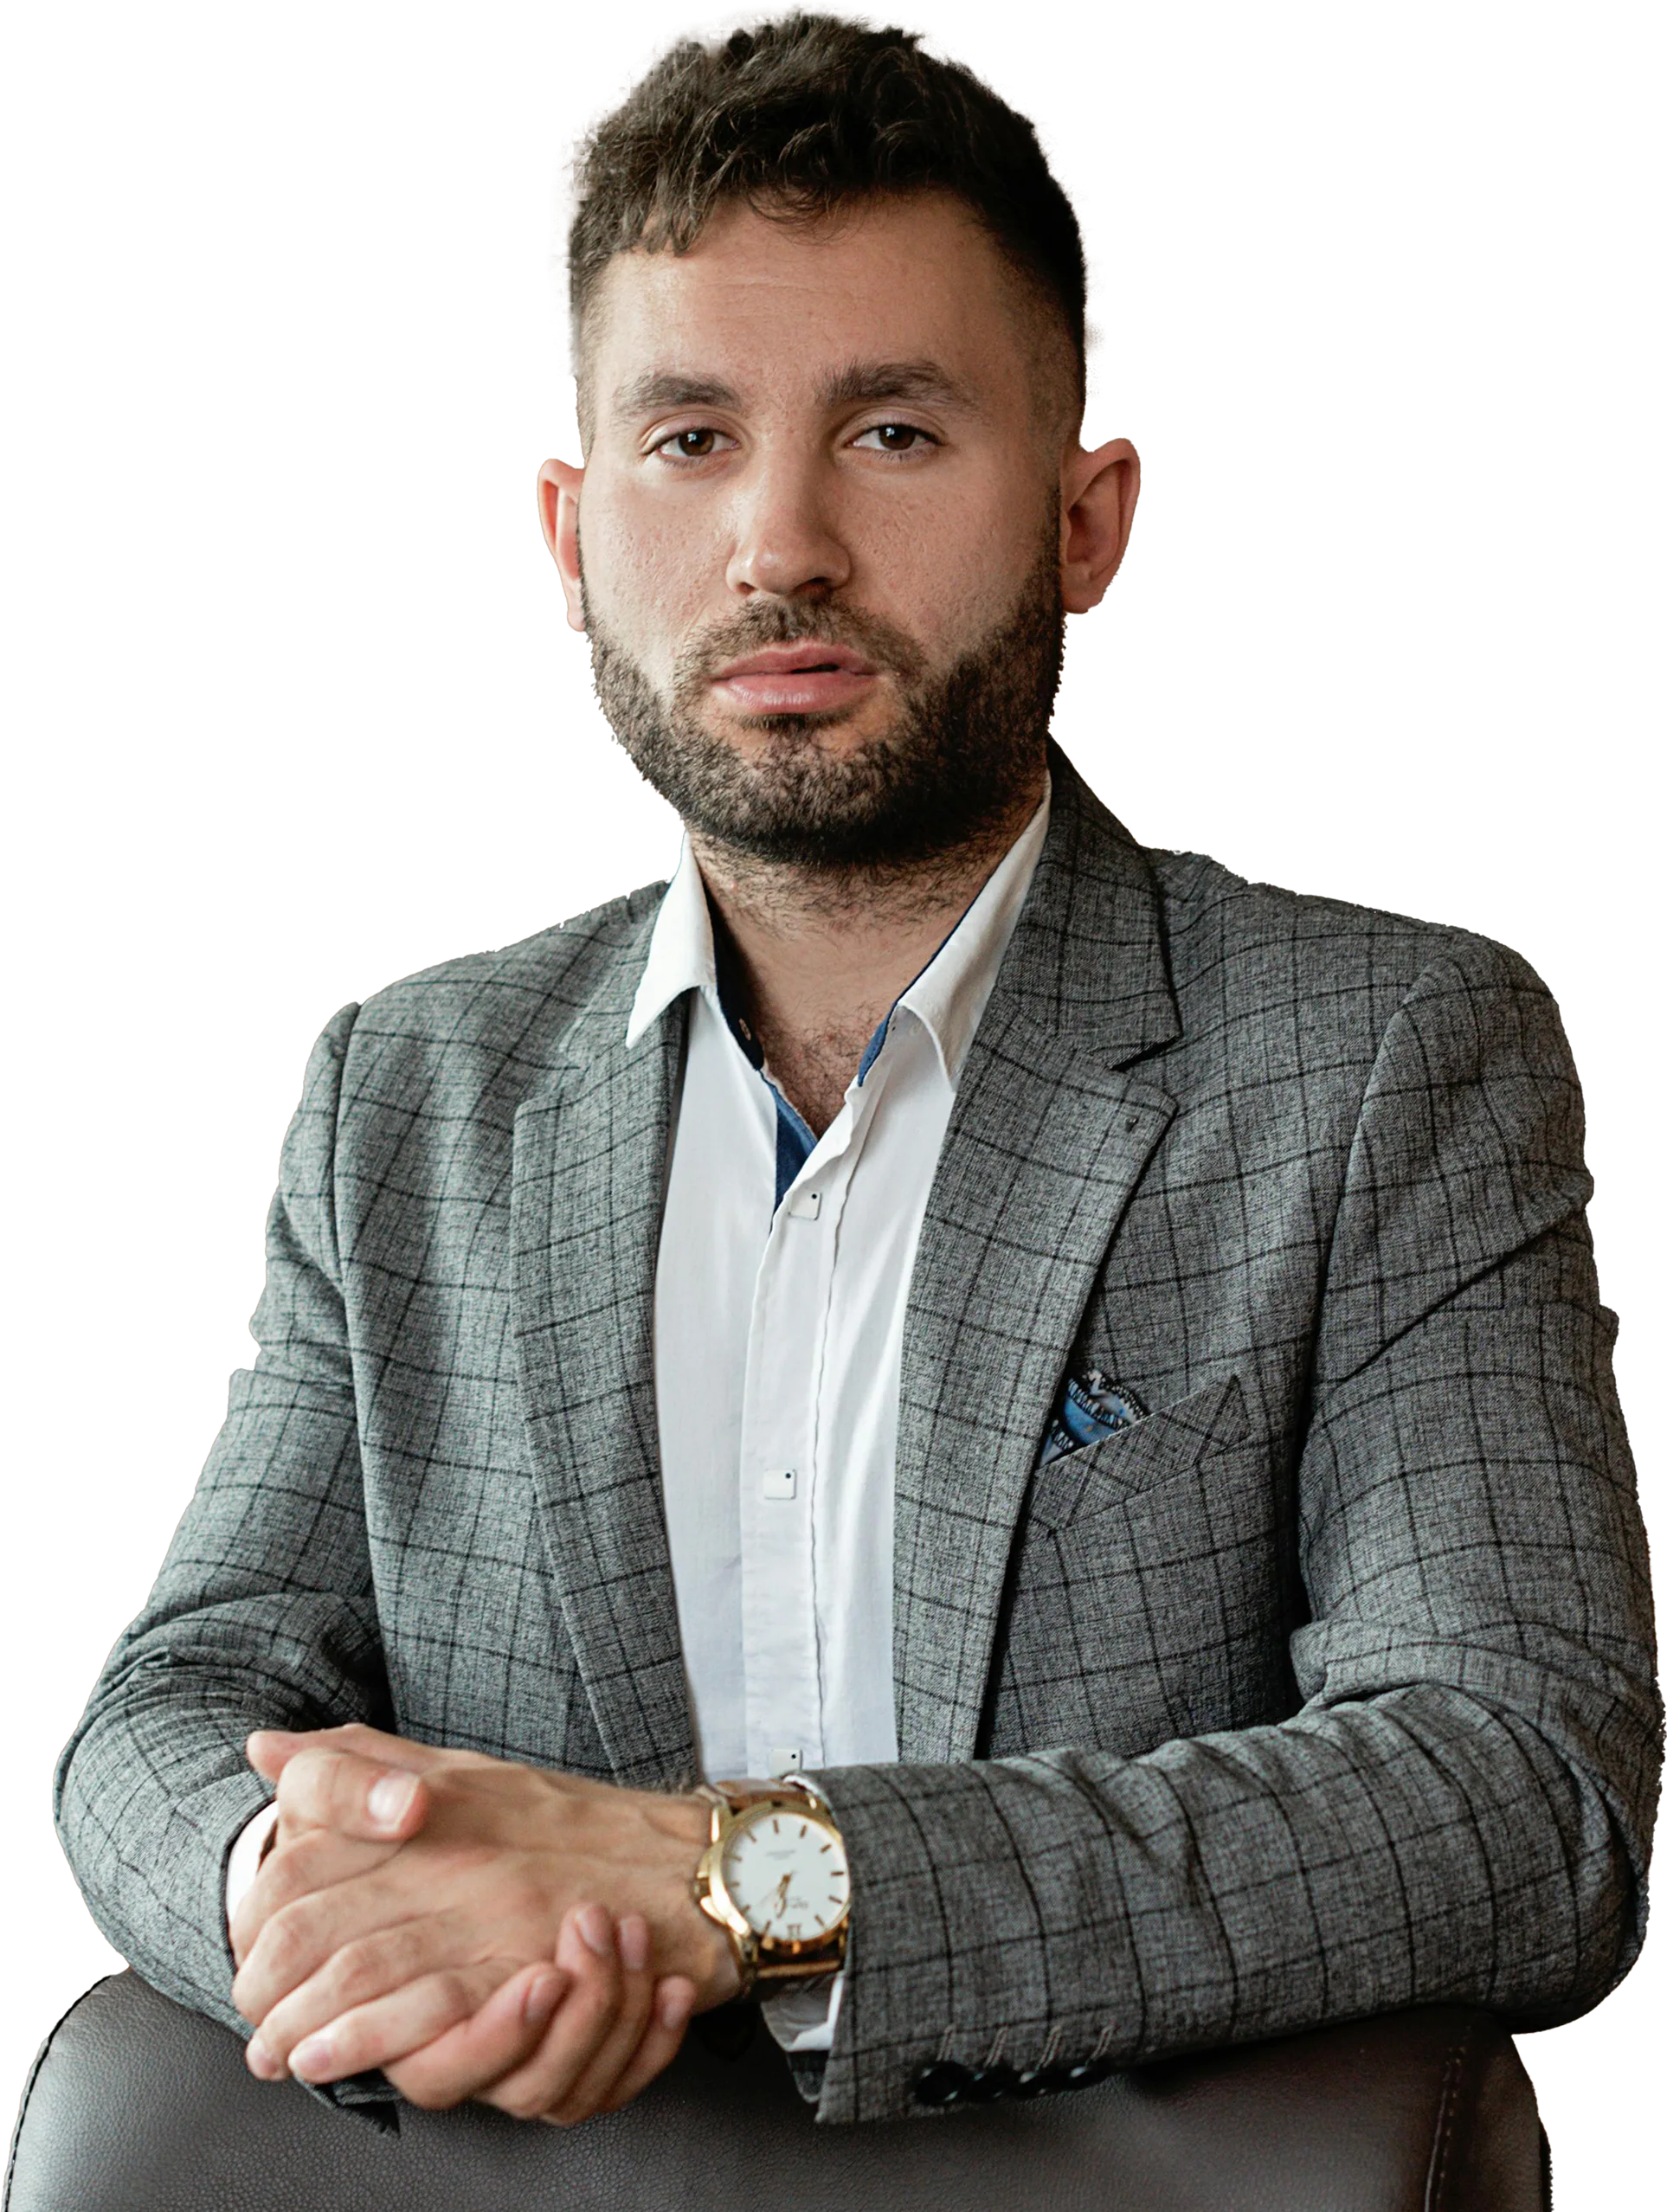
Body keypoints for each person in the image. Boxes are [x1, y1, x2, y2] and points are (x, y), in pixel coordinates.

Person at [52, 2, 1661, 2141]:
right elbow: (167, 1709)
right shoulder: (406, 1093)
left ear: (1090, 521)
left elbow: (1522, 1799)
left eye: (893, 431)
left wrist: (730, 1884)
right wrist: (316, 1894)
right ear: (566, 533)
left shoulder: (1380, 1062)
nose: (781, 541)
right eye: (690, 437)